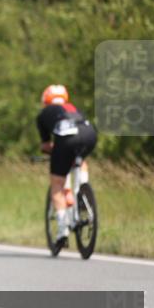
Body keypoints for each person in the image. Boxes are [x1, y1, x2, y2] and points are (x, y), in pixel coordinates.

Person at [36, 84, 97, 250]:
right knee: (80, 158)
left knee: (57, 184)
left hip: (66, 138)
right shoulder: (73, 107)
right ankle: (82, 191)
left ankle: (62, 230)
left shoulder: (44, 114)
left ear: (46, 101)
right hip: (89, 134)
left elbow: (46, 146)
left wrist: (54, 153)